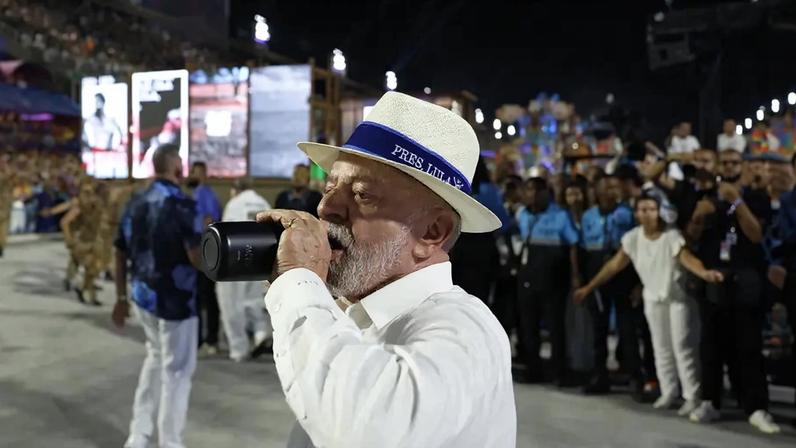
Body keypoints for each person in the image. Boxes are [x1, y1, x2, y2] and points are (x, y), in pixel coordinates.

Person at [257, 92, 515, 447]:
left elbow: (368, 428)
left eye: (362, 195)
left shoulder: (466, 330)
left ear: (431, 233)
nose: (326, 207)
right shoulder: (352, 313)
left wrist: (297, 285)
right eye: (330, 186)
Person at [575, 193, 722, 416]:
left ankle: (692, 396)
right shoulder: (633, 238)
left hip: (677, 298)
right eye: (642, 209)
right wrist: (589, 287)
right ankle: (668, 390)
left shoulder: (671, 237)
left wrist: (704, 273)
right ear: (636, 213)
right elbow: (614, 266)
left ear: (659, 212)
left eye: (651, 209)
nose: (647, 214)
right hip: (653, 298)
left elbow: (686, 258)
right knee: (660, 346)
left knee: (683, 347)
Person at [112, 144, 203, 448]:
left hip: (142, 297)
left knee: (154, 358)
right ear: (175, 167)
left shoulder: (135, 201)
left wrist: (121, 298)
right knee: (177, 372)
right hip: (176, 301)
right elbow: (195, 258)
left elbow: (118, 249)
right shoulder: (182, 204)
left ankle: (139, 434)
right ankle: (171, 442)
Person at [686, 149, 781, 434]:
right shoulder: (705, 198)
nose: (729, 167)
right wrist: (698, 218)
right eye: (724, 163)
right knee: (710, 346)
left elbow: (755, 234)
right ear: (717, 166)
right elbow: (689, 239)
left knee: (749, 346)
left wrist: (735, 201)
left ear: (743, 167)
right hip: (713, 278)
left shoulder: (755, 198)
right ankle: (710, 402)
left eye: (735, 163)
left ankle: (757, 408)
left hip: (747, 279)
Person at [576, 175, 642, 395]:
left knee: (626, 326)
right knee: (599, 327)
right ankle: (599, 375)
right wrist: (582, 279)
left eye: (615, 187)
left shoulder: (628, 214)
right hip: (595, 266)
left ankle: (635, 376)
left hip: (622, 268)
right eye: (607, 187)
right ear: (597, 191)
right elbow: (582, 247)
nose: (612, 191)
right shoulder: (588, 216)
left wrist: (637, 283)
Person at [515, 177, 580, 385]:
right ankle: (533, 369)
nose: (532, 195)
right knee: (528, 325)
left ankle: (559, 371)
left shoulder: (560, 215)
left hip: (553, 279)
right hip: (527, 276)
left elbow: (573, 245)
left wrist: (576, 276)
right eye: (528, 190)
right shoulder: (522, 214)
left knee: (555, 327)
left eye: (536, 191)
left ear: (546, 193)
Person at [216, 177, 272, 362]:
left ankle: (239, 348)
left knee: (231, 303)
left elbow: (226, 234)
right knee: (255, 300)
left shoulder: (234, 204)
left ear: (234, 189)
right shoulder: (263, 201)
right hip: (261, 257)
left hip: (237, 259)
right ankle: (260, 333)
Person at [188, 161, 222, 356]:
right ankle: (202, 339)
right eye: (195, 172)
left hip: (204, 249)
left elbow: (208, 221)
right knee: (201, 295)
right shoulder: (195, 193)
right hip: (199, 248)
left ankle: (211, 338)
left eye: (200, 172)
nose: (197, 175)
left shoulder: (205, 194)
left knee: (207, 295)